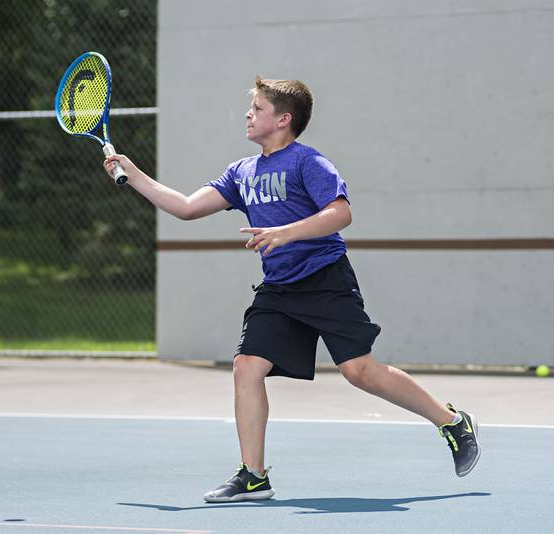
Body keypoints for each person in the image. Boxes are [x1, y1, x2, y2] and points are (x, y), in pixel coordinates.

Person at [104, 75, 480, 503]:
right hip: (279, 288)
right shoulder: (241, 173)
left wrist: (286, 233)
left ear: (283, 119)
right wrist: (133, 174)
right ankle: (253, 475)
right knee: (246, 366)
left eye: (258, 108)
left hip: (324, 278)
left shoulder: (308, 163)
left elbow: (340, 214)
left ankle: (450, 421)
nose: (249, 114)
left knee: (360, 372)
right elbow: (188, 208)